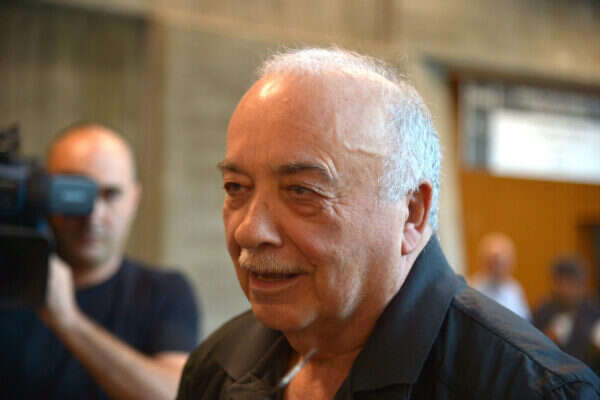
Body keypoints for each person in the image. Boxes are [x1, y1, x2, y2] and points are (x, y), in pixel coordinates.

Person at [177, 48, 600, 399]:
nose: (249, 231)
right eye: (236, 187)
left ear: (411, 213)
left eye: (301, 191)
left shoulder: (529, 389)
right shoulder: (216, 367)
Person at [0, 123, 200, 399]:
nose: (92, 216)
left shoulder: (163, 292)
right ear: (41, 192)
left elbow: (174, 394)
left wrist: (68, 321)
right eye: (74, 194)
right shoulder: (7, 282)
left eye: (110, 194)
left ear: (134, 199)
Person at [533, 256, 600, 372]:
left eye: (570, 283)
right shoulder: (544, 311)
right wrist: (547, 339)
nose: (564, 289)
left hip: (590, 374)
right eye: (560, 282)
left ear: (581, 284)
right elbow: (533, 350)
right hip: (554, 374)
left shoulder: (593, 310)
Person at [469, 232, 531, 319]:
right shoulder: (472, 288)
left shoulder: (514, 288)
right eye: (493, 261)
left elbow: (525, 319)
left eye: (503, 262)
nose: (498, 267)